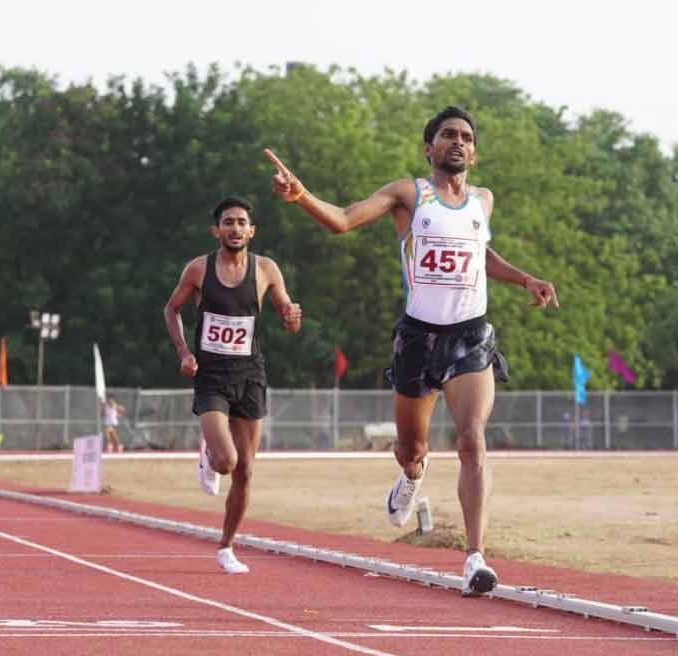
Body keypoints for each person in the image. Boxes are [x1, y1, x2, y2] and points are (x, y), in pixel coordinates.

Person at [264, 105, 559, 597]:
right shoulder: (409, 195)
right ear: (430, 148)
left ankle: (474, 558)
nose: (458, 142)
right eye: (448, 135)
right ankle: (411, 474)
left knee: (471, 440)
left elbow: (479, 253)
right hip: (419, 338)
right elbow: (341, 221)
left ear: (475, 151)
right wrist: (301, 197)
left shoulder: (483, 201)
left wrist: (525, 277)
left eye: (466, 136)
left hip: (471, 336)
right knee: (412, 448)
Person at [163, 195, 302, 574]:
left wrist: (292, 317)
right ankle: (210, 455)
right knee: (227, 461)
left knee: (246, 471)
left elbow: (289, 319)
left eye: (242, 222)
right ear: (217, 230)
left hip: (250, 375)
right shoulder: (198, 269)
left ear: (251, 230)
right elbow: (171, 309)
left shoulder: (267, 269)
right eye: (228, 222)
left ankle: (226, 546)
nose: (235, 228)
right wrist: (183, 353)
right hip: (210, 375)